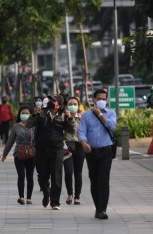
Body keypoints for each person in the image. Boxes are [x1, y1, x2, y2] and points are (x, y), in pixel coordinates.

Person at [26, 94, 75, 210]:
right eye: (51, 100)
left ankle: (55, 202)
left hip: (57, 149)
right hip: (41, 149)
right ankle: (46, 193)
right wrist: (34, 115)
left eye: (54, 100)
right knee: (42, 176)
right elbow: (28, 125)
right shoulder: (42, 113)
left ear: (59, 104)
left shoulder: (64, 115)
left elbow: (71, 130)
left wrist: (70, 118)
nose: (52, 102)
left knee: (56, 175)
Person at [78, 89, 116, 220]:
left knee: (103, 180)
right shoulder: (86, 115)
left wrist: (100, 115)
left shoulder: (111, 113)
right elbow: (81, 131)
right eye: (99, 98)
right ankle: (97, 207)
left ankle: (102, 210)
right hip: (91, 151)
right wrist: (84, 143)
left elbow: (112, 126)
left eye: (104, 99)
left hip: (106, 150)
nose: (101, 101)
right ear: (94, 100)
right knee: (94, 180)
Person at [1, 106, 35, 205]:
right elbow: (10, 141)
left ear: (30, 114)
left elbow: (38, 140)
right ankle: (21, 197)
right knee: (21, 175)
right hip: (18, 154)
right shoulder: (16, 126)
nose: (25, 115)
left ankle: (29, 197)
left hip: (31, 154)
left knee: (29, 176)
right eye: (23, 113)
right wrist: (4, 154)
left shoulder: (34, 126)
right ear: (20, 115)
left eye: (27, 113)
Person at [63, 97, 84, 205]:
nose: (72, 106)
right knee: (68, 171)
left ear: (78, 105)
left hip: (80, 146)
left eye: (75, 104)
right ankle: (70, 194)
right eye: (70, 104)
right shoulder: (62, 118)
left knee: (78, 173)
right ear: (66, 106)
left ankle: (77, 196)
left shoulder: (82, 118)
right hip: (67, 146)